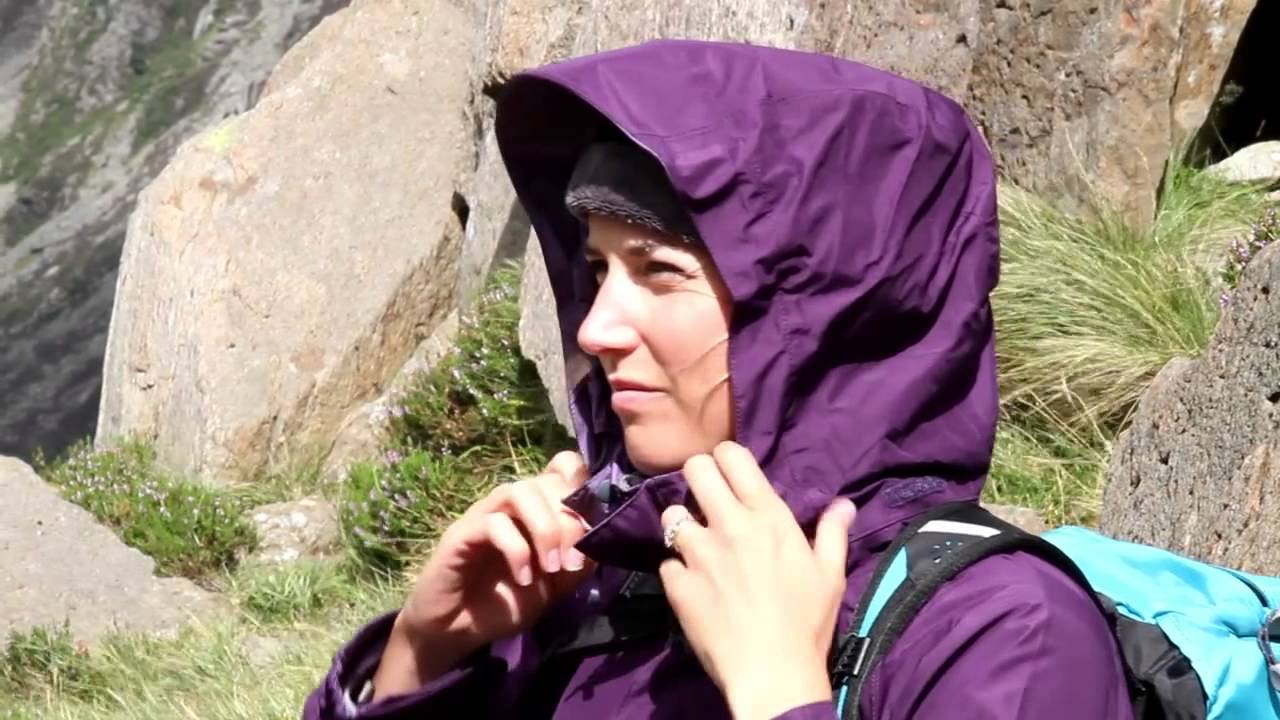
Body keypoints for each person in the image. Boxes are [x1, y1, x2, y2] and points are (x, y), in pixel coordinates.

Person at [302, 39, 1132, 719]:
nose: (594, 330)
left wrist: (778, 693)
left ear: (829, 314)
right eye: (598, 271)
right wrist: (420, 658)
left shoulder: (1004, 637)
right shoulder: (598, 586)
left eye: (659, 272)